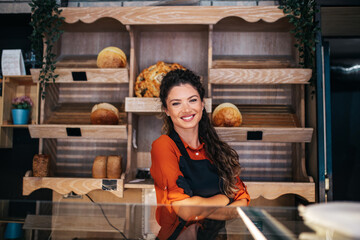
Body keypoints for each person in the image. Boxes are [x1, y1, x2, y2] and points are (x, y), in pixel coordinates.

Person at [150, 69, 250, 240]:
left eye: (192, 100)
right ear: (166, 110)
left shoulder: (218, 151)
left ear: (202, 105)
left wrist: (201, 207)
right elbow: (186, 210)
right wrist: (224, 199)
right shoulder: (164, 146)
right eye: (176, 103)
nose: (186, 109)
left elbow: (243, 203)